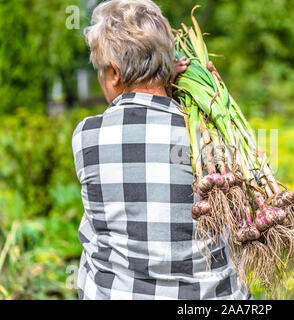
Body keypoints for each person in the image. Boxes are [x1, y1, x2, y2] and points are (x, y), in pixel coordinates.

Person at [72, 0, 251, 299]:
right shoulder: (208, 132)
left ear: (114, 73)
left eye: (101, 72)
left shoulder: (87, 135)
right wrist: (213, 102)